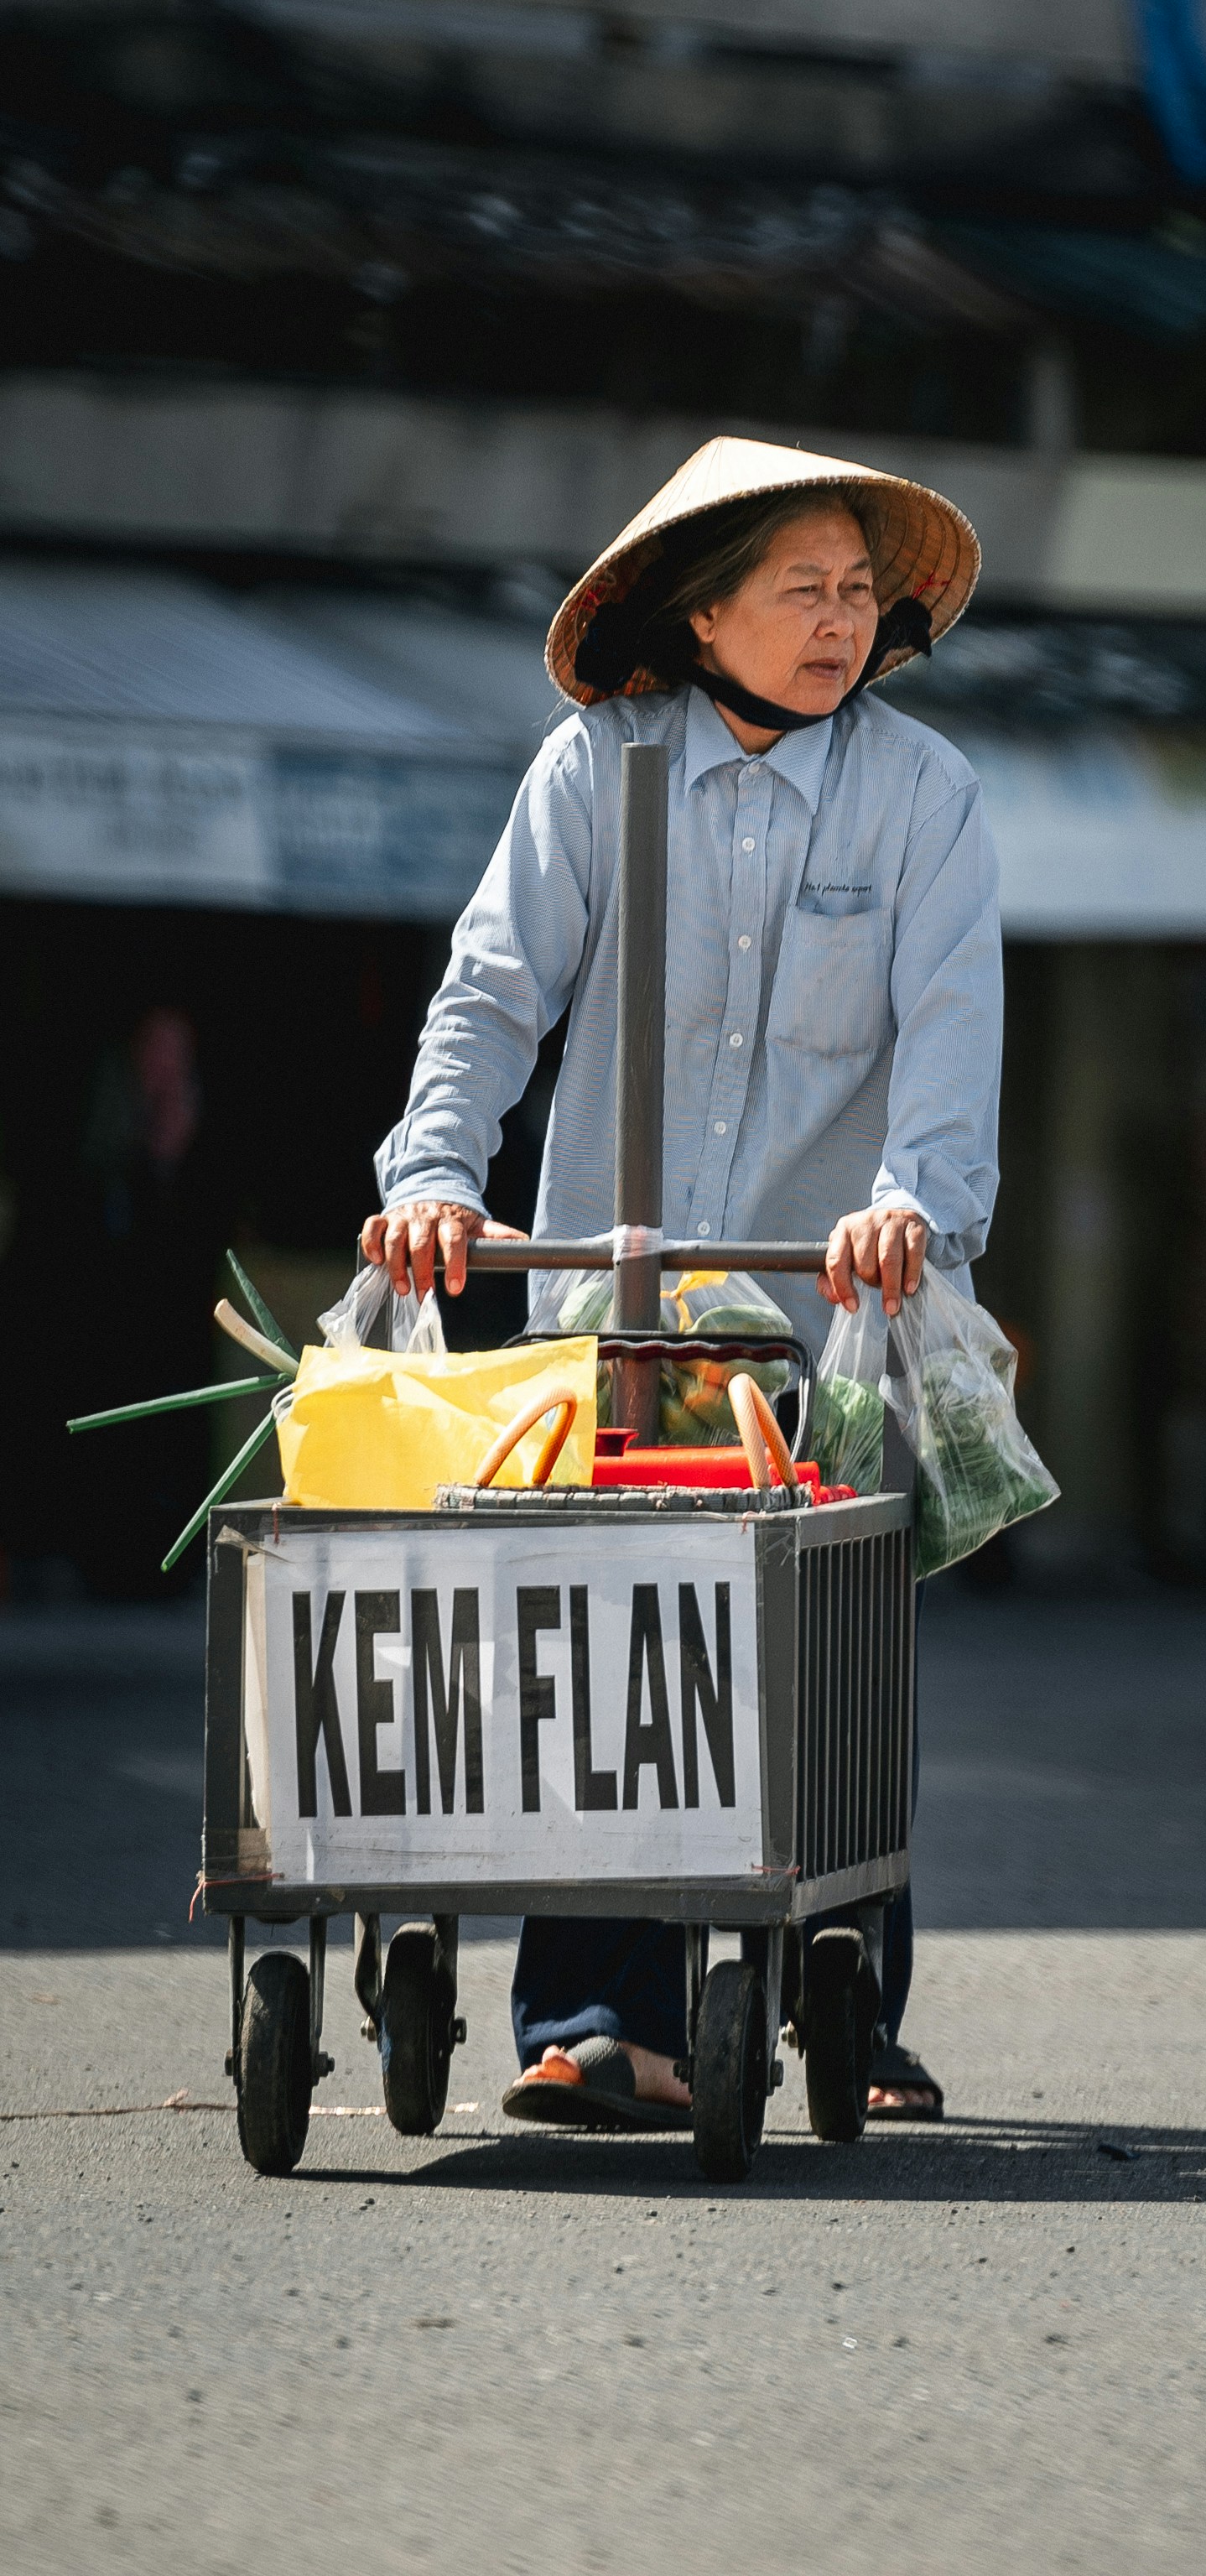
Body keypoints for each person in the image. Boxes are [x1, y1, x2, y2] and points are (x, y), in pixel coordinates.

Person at [361, 436, 999, 2125]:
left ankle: (849, 1988)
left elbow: (949, 1040)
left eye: (862, 590)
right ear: (700, 611)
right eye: (803, 587)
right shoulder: (594, 768)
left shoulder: (922, 793)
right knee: (614, 1634)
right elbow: (491, 996)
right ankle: (590, 2014)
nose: (840, 618)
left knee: (830, 1633)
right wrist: (433, 1178)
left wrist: (911, 1208)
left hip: (825, 1309)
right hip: (607, 1312)